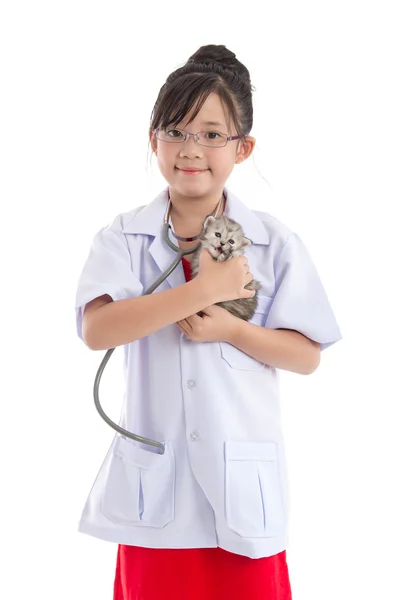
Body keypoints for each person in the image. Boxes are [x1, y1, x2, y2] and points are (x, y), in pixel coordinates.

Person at [74, 44, 342, 600]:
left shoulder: (274, 241)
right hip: (157, 495)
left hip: (241, 492)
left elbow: (307, 355)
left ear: (242, 148)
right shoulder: (123, 237)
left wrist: (232, 329)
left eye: (213, 134)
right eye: (175, 131)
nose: (191, 149)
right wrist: (204, 290)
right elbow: (98, 330)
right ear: (154, 141)